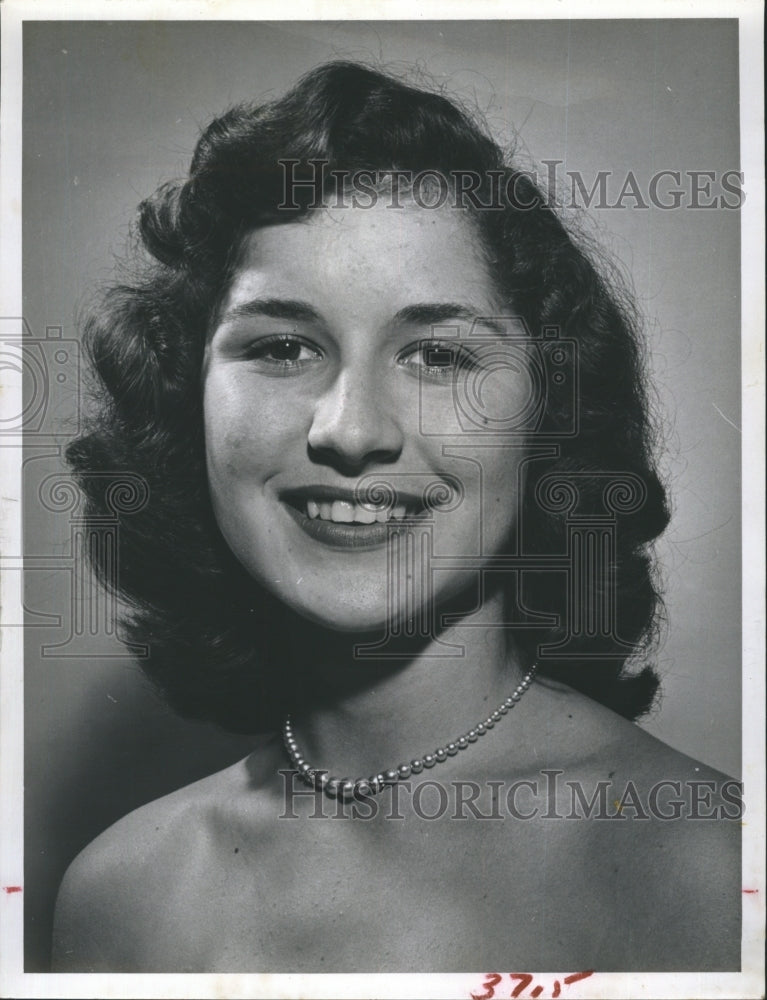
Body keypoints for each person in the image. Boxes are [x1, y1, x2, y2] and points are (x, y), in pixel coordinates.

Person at [51, 61, 740, 973]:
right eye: (283, 346)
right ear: (189, 405)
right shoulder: (119, 895)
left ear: (550, 416)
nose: (351, 430)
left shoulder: (712, 869)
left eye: (439, 355)